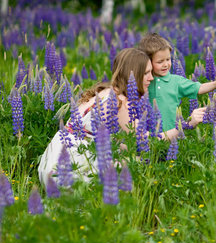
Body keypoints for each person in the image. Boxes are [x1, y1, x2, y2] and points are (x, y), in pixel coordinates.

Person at [38, 48, 190, 187]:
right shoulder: (119, 102)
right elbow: (149, 141)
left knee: (129, 156)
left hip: (50, 163)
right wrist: (185, 126)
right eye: (145, 73)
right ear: (133, 75)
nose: (151, 78)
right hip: (72, 170)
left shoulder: (105, 92)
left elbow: (116, 143)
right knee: (141, 162)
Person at [137, 33, 216, 132]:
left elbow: (198, 88)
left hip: (173, 133)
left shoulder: (176, 81)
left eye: (168, 59)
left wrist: (215, 83)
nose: (165, 64)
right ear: (148, 62)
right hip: (148, 135)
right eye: (160, 62)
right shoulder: (144, 81)